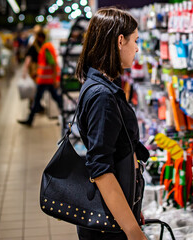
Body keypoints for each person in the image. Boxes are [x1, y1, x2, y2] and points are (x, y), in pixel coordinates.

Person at [75, 7, 149, 240]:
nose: (137, 48)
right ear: (120, 40)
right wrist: (134, 232)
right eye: (135, 40)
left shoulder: (100, 85)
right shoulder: (102, 96)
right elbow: (101, 170)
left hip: (114, 214)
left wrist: (132, 209)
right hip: (108, 226)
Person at [18, 31, 62, 127]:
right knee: (49, 99)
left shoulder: (46, 48)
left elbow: (53, 64)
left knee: (43, 99)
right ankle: (64, 116)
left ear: (41, 38)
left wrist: (55, 80)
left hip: (47, 80)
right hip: (45, 79)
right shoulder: (45, 47)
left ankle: (65, 116)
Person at [23, 28, 45, 112]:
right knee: (36, 89)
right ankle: (34, 106)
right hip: (35, 71)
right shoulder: (34, 47)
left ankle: (36, 106)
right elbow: (28, 59)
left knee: (37, 89)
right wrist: (25, 71)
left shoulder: (41, 46)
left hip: (40, 71)